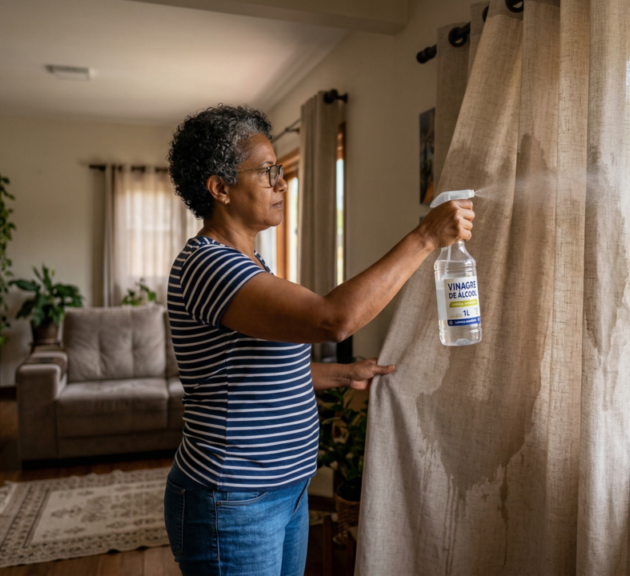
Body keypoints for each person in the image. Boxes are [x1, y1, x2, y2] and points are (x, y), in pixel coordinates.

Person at [162, 105, 475, 576]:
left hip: (283, 491)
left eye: (280, 171)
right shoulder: (210, 264)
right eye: (268, 172)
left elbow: (252, 374)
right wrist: (426, 237)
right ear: (220, 188)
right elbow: (334, 320)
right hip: (233, 500)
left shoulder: (249, 262)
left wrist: (343, 374)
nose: (282, 184)